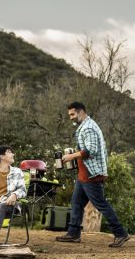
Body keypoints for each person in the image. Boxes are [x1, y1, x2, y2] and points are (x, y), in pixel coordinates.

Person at [55, 101, 131, 248]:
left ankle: (121, 233)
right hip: (84, 175)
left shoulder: (88, 128)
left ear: (81, 112)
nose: (70, 117)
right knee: (76, 203)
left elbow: (91, 151)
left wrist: (72, 157)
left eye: (72, 114)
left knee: (101, 204)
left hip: (92, 175)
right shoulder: (85, 126)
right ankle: (73, 233)